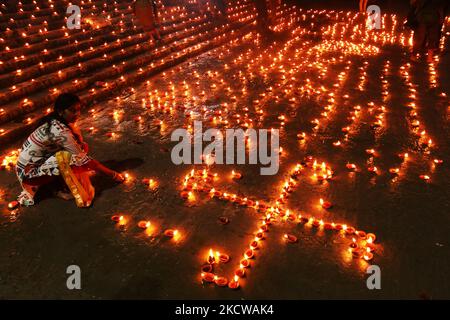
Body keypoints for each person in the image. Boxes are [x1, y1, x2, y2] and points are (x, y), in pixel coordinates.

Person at [15, 93, 125, 207]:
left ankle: (56, 181)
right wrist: (113, 174)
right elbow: (84, 160)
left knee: (80, 148)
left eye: (78, 110)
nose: (77, 114)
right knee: (71, 157)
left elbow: (79, 147)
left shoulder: (55, 119)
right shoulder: (60, 131)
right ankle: (57, 187)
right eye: (72, 110)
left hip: (30, 166)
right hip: (29, 175)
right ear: (61, 111)